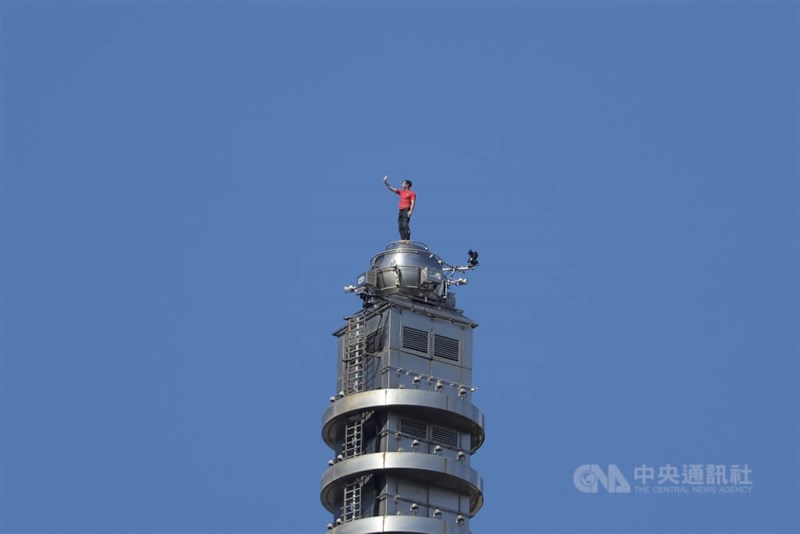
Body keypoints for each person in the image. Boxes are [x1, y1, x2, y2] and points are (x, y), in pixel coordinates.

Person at [383, 175, 416, 241]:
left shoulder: (412, 193)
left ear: (407, 185)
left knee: (405, 224)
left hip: (407, 209)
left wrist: (410, 211)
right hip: (401, 210)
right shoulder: (402, 192)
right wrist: (385, 182)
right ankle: (403, 240)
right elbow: (392, 189)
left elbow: (413, 203)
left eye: (403, 183)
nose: (402, 185)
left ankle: (407, 239)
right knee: (400, 226)